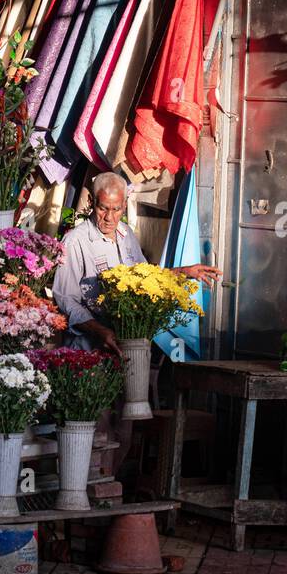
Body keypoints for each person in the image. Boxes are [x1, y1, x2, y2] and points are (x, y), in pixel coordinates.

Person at [52, 171, 221, 474]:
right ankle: (89, 492)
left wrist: (183, 272)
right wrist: (100, 330)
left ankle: (109, 490)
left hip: (125, 351)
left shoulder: (126, 235)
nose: (109, 216)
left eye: (116, 209)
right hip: (90, 352)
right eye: (103, 208)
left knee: (124, 427)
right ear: (92, 203)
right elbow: (66, 299)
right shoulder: (75, 241)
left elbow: (144, 277)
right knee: (96, 428)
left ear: (124, 205)